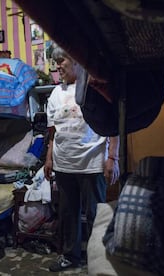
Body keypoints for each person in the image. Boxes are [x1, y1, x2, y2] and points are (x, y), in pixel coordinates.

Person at [44, 47, 120, 272]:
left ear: (75, 60)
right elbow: (53, 132)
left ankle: (101, 259)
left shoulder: (94, 88)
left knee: (97, 215)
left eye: (61, 60)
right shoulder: (55, 94)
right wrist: (49, 159)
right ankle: (71, 257)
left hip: (91, 163)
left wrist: (112, 157)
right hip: (63, 164)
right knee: (68, 214)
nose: (58, 66)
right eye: (56, 62)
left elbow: (113, 125)